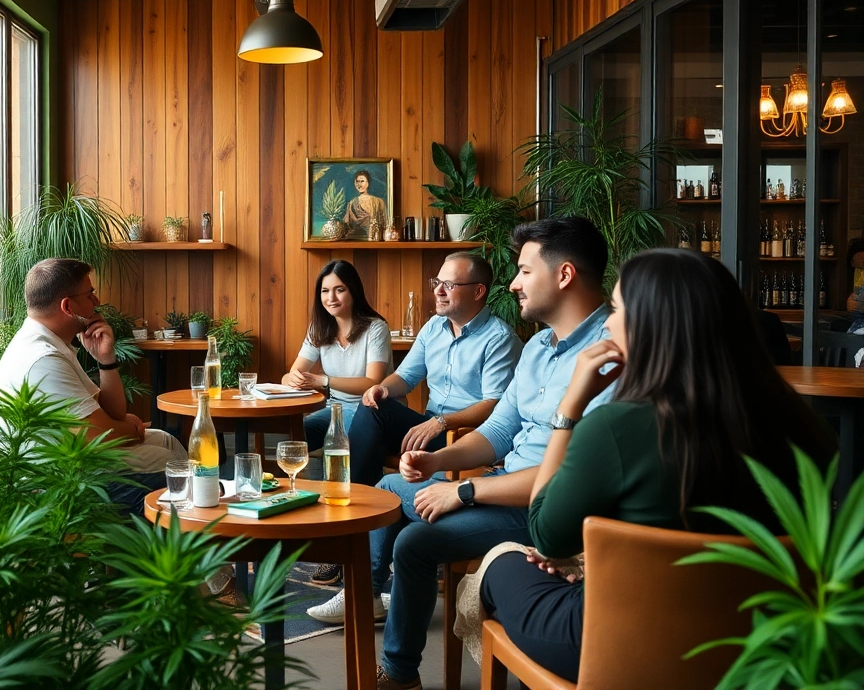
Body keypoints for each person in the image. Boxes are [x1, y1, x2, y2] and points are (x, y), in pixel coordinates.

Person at [478, 248, 836, 682]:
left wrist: (570, 406)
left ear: (652, 325)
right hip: (764, 645)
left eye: (616, 309)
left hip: (619, 643)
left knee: (501, 563)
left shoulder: (617, 426)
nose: (607, 324)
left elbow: (547, 535)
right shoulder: (806, 429)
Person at [320, 216, 618, 690]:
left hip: (545, 509)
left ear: (564, 276)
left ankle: (397, 673)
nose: (514, 283)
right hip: (500, 481)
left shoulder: (610, 355)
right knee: (386, 490)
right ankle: (371, 598)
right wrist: (437, 462)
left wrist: (463, 490)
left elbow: (571, 475)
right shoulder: (538, 346)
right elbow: (498, 429)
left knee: (414, 543)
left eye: (524, 271)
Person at [306, 252, 520, 589]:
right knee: (374, 407)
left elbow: (494, 405)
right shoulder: (434, 327)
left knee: (369, 429)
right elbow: (404, 378)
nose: (438, 291)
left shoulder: (499, 338)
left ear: (478, 291)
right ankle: (352, 530)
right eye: (437, 282)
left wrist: (441, 422)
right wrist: (381, 389)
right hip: (429, 427)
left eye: (449, 285)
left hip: (467, 438)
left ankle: (355, 550)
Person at [0, 257, 186, 517]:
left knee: (166, 440)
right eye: (89, 294)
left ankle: (194, 523)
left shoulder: (51, 344)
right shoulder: (43, 358)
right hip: (52, 483)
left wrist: (105, 359)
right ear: (68, 306)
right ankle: (188, 530)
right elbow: (102, 437)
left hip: (72, 459)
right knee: (172, 465)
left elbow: (113, 413)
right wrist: (131, 428)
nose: (97, 301)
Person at [283, 259, 392, 451]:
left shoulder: (376, 328)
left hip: (367, 410)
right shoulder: (319, 328)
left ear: (353, 291)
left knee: (338, 444)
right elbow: (291, 375)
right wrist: (293, 379)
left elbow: (372, 382)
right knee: (293, 439)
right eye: (325, 291)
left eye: (339, 290)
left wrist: (323, 381)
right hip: (333, 409)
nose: (331, 298)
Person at [344, 170, 388, 238]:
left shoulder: (378, 202)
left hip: (375, 239)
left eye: (362, 181)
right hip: (356, 239)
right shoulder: (352, 203)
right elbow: (347, 224)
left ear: (368, 183)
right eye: (357, 181)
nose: (359, 184)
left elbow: (385, 223)